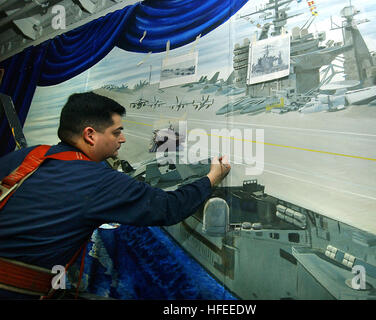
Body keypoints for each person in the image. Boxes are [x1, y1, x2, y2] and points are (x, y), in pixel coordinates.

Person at [0, 91, 231, 299]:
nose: (123, 139)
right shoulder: (99, 180)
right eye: (116, 132)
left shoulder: (28, 156)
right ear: (90, 135)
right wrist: (212, 178)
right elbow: (169, 207)